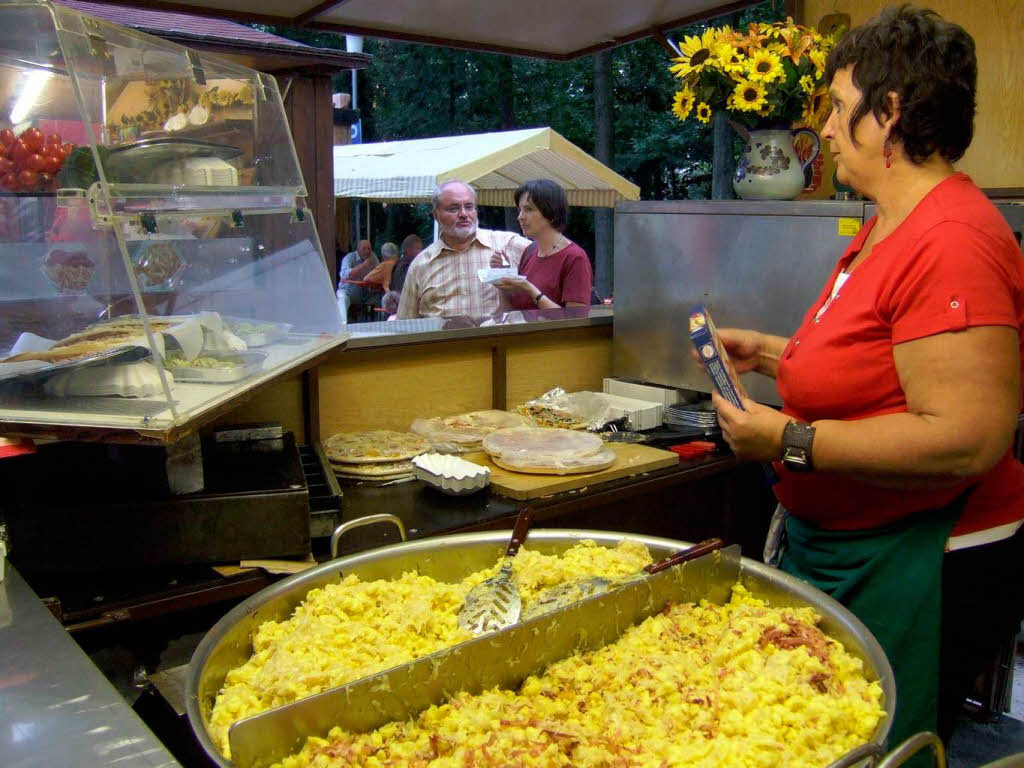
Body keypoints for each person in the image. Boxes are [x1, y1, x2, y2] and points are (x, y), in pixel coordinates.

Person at [705, 5, 1024, 751]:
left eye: (842, 109)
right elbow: (882, 361)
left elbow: (963, 439)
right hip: (858, 545)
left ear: (891, 114)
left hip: (926, 559)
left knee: (883, 745)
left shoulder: (950, 238)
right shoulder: (891, 220)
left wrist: (789, 440)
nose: (828, 128)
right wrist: (776, 352)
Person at [397, 182, 531, 319]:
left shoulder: (508, 244)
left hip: (497, 339)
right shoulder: (421, 264)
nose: (463, 214)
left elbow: (551, 257)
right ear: (436, 215)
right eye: (454, 209)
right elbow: (404, 324)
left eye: (469, 207)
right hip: (443, 340)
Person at [490, 179, 593, 310]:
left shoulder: (574, 258)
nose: (520, 217)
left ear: (551, 213)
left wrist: (529, 288)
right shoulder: (529, 252)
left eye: (528, 209)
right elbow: (511, 314)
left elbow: (576, 320)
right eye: (519, 210)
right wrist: (502, 280)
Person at [336, 239, 378, 322]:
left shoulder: (372, 257)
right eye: (364, 248)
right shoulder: (349, 257)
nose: (367, 251)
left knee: (380, 297)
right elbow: (344, 275)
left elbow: (379, 272)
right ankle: (342, 325)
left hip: (365, 294)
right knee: (342, 298)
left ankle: (376, 325)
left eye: (369, 248)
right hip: (348, 291)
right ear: (358, 249)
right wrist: (362, 266)